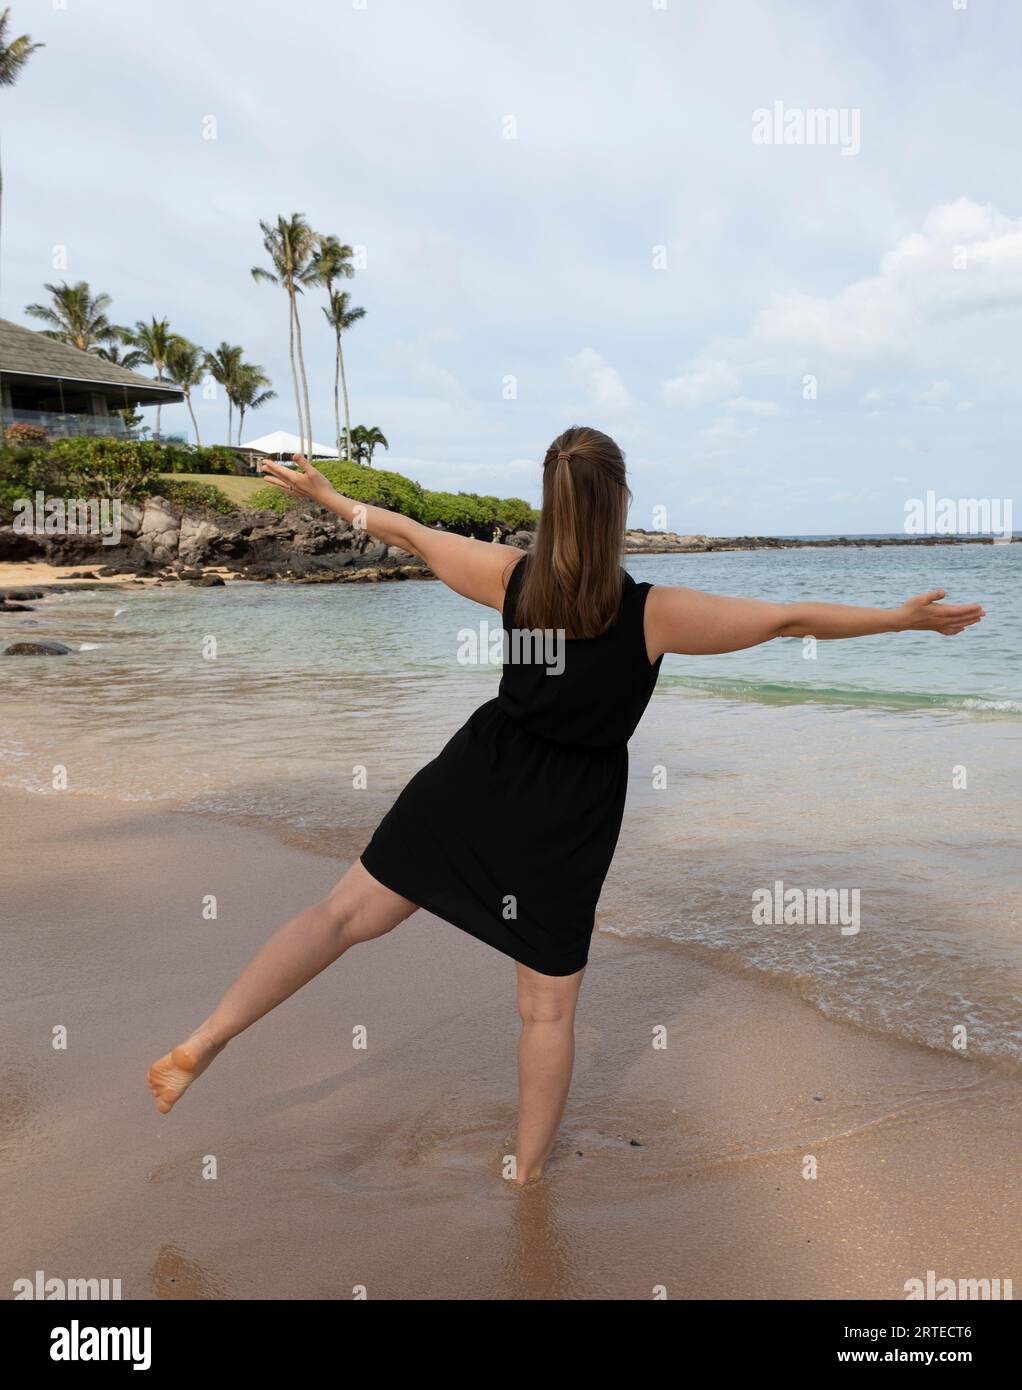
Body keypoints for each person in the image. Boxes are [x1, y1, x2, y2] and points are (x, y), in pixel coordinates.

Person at [147, 425, 985, 1184]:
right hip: (567, 816)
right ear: (619, 504)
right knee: (544, 1009)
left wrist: (330, 498)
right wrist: (899, 621)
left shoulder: (511, 580)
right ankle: (526, 1173)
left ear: (549, 505)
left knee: (337, 917)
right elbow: (788, 619)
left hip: (477, 775)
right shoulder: (654, 614)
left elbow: (405, 533)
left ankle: (203, 1041)